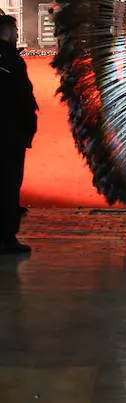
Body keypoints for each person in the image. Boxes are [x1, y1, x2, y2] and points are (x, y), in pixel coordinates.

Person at [0, 15, 38, 254]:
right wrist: (27, 126)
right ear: (8, 31)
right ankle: (7, 237)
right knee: (8, 185)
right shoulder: (11, 61)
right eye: (14, 30)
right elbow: (22, 98)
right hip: (9, 134)